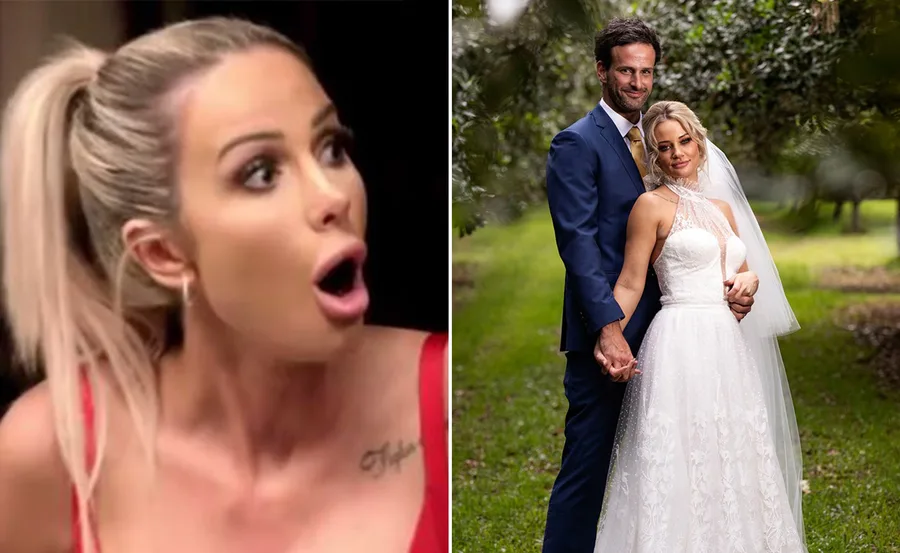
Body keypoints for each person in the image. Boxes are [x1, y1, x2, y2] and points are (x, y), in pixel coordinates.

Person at [0, 17, 447, 553]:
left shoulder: (446, 400)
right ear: (163, 254)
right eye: (260, 172)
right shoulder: (52, 453)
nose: (333, 196)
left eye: (330, 147)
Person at [542, 17, 755, 553]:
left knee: (687, 457)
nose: (637, 82)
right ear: (602, 71)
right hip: (611, 326)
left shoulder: (661, 139)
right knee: (588, 464)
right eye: (626, 72)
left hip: (686, 333)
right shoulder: (576, 144)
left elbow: (704, 233)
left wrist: (736, 282)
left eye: (646, 72)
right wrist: (608, 330)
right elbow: (579, 247)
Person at [593, 100, 806, 551]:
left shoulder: (721, 209)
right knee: (678, 451)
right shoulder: (650, 206)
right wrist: (608, 336)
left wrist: (750, 279)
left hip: (726, 343)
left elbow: (743, 269)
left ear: (699, 141)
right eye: (664, 147)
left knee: (730, 448)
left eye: (684, 141)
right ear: (653, 155)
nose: (677, 153)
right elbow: (631, 282)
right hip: (680, 340)